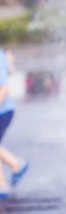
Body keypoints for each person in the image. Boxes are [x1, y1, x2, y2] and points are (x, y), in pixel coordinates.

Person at [0, 49, 29, 198]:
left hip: (3, 111)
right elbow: (10, 70)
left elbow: (4, 87)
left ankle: (16, 165)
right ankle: (5, 182)